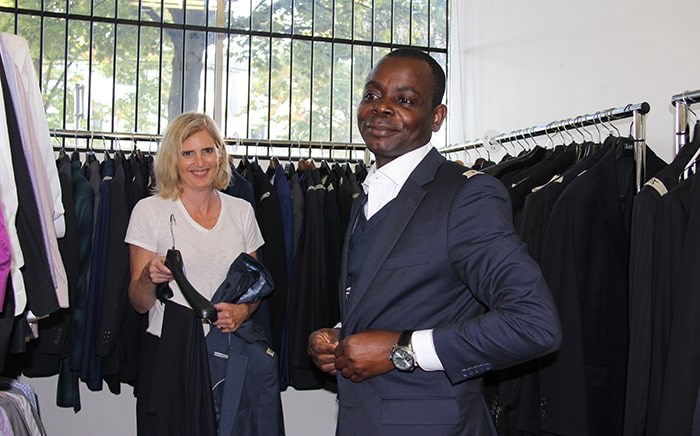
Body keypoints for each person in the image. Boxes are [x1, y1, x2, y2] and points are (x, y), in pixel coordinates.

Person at [307, 48, 562, 435]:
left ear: (437, 116)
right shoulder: (371, 193)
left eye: (405, 100)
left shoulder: (467, 197)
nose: (382, 108)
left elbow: (534, 324)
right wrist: (341, 335)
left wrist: (402, 351)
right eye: (372, 95)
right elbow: (411, 293)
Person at [125, 112, 275, 435]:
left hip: (229, 352)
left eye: (208, 150)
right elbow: (138, 303)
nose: (200, 162)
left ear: (220, 154)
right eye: (187, 153)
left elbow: (254, 289)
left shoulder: (242, 211)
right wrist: (149, 277)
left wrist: (242, 311)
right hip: (170, 353)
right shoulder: (149, 212)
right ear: (173, 159)